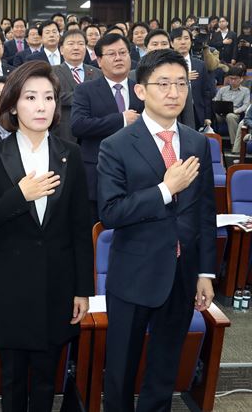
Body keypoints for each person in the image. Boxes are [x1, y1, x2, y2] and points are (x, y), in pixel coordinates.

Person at [0, 60, 93, 412]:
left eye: (49, 98)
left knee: (46, 380)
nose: (41, 106)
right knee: (14, 380)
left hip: (58, 285)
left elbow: (81, 227)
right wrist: (20, 196)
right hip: (12, 288)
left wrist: (83, 290)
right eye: (31, 97)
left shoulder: (71, 155)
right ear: (12, 105)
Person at [97, 49, 216, 412]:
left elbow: (205, 212)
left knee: (164, 370)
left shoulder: (196, 142)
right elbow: (111, 212)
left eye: (181, 83)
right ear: (141, 91)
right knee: (120, 370)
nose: (174, 92)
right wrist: (166, 190)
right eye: (163, 84)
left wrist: (205, 272)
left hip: (182, 277)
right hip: (134, 276)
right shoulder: (116, 145)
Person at [71, 33, 144, 223]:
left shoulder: (142, 89)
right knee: (96, 232)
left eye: (123, 52)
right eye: (112, 54)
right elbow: (78, 126)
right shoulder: (85, 90)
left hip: (138, 172)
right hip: (97, 171)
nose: (118, 58)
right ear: (99, 60)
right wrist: (121, 119)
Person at [52, 30, 103, 142]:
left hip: (92, 132)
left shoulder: (97, 73)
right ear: (61, 49)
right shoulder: (52, 72)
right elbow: (54, 96)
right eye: (71, 44)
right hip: (63, 132)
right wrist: (85, 97)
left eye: (80, 44)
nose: (76, 48)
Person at [170, 27, 215, 129]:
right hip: (173, 111)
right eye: (179, 39)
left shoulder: (200, 65)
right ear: (172, 43)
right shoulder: (167, 64)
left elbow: (206, 92)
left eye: (186, 38)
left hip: (196, 112)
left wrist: (207, 116)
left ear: (191, 42)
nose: (183, 42)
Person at [213, 66, 250, 148]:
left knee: (230, 116)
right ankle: (211, 142)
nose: (233, 81)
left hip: (235, 114)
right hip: (221, 114)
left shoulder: (245, 91)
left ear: (241, 79)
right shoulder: (223, 90)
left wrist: (236, 111)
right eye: (231, 78)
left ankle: (234, 145)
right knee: (211, 114)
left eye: (235, 79)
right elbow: (216, 101)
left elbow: (245, 105)